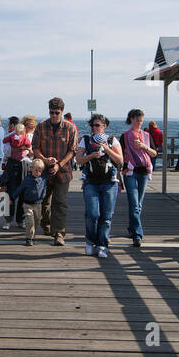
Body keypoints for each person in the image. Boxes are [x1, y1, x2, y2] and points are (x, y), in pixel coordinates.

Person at [33, 97, 79, 246]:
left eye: (56, 113)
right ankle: (46, 225)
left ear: (62, 112)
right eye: (51, 112)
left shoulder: (70, 128)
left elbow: (72, 150)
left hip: (63, 171)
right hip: (44, 171)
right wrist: (45, 160)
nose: (53, 115)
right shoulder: (41, 127)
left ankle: (59, 233)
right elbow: (35, 148)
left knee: (60, 202)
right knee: (44, 202)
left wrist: (59, 164)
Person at [75, 114, 123, 257]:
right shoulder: (85, 140)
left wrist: (106, 149)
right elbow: (78, 160)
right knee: (92, 213)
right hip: (91, 181)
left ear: (104, 126)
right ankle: (90, 241)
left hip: (109, 182)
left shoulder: (112, 140)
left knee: (106, 215)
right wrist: (92, 155)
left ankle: (102, 245)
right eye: (93, 125)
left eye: (98, 125)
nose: (95, 128)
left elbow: (121, 160)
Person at [121, 109, 156, 247]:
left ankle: (132, 227)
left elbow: (154, 153)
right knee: (134, 204)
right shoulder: (125, 136)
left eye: (141, 120)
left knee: (138, 205)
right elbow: (120, 153)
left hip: (144, 172)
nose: (139, 122)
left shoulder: (147, 135)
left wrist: (143, 146)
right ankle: (137, 234)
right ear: (131, 120)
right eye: (136, 120)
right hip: (130, 171)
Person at [1, 116, 33, 230]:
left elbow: (32, 153)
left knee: (23, 195)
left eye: (32, 126)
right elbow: (7, 152)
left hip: (26, 167)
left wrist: (26, 149)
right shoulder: (10, 136)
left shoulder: (31, 137)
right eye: (29, 125)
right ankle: (8, 220)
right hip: (13, 165)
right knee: (10, 194)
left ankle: (21, 220)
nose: (31, 128)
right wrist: (22, 148)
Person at [17, 158, 48, 245]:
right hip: (27, 204)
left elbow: (51, 171)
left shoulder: (43, 178)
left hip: (38, 204)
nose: (38, 172)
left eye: (40, 171)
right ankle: (29, 238)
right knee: (29, 220)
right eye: (36, 170)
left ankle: (32, 233)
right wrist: (12, 198)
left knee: (37, 220)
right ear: (31, 169)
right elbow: (20, 189)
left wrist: (53, 164)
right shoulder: (27, 179)